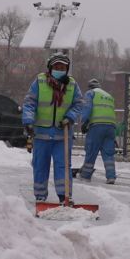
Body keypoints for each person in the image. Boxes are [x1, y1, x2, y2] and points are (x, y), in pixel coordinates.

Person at [22, 52, 83, 203]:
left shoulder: (72, 85)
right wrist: (28, 121)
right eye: (57, 66)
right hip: (41, 134)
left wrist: (69, 117)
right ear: (50, 68)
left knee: (63, 166)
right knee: (40, 166)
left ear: (67, 69)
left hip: (62, 135)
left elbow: (79, 104)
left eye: (63, 67)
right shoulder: (39, 81)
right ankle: (40, 196)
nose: (60, 69)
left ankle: (65, 196)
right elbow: (29, 102)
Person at [77, 78, 117, 184]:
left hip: (97, 126)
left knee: (91, 151)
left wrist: (84, 122)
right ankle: (111, 176)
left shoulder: (90, 93)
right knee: (108, 153)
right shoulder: (109, 96)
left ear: (90, 87)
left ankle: (85, 175)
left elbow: (87, 108)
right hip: (111, 127)